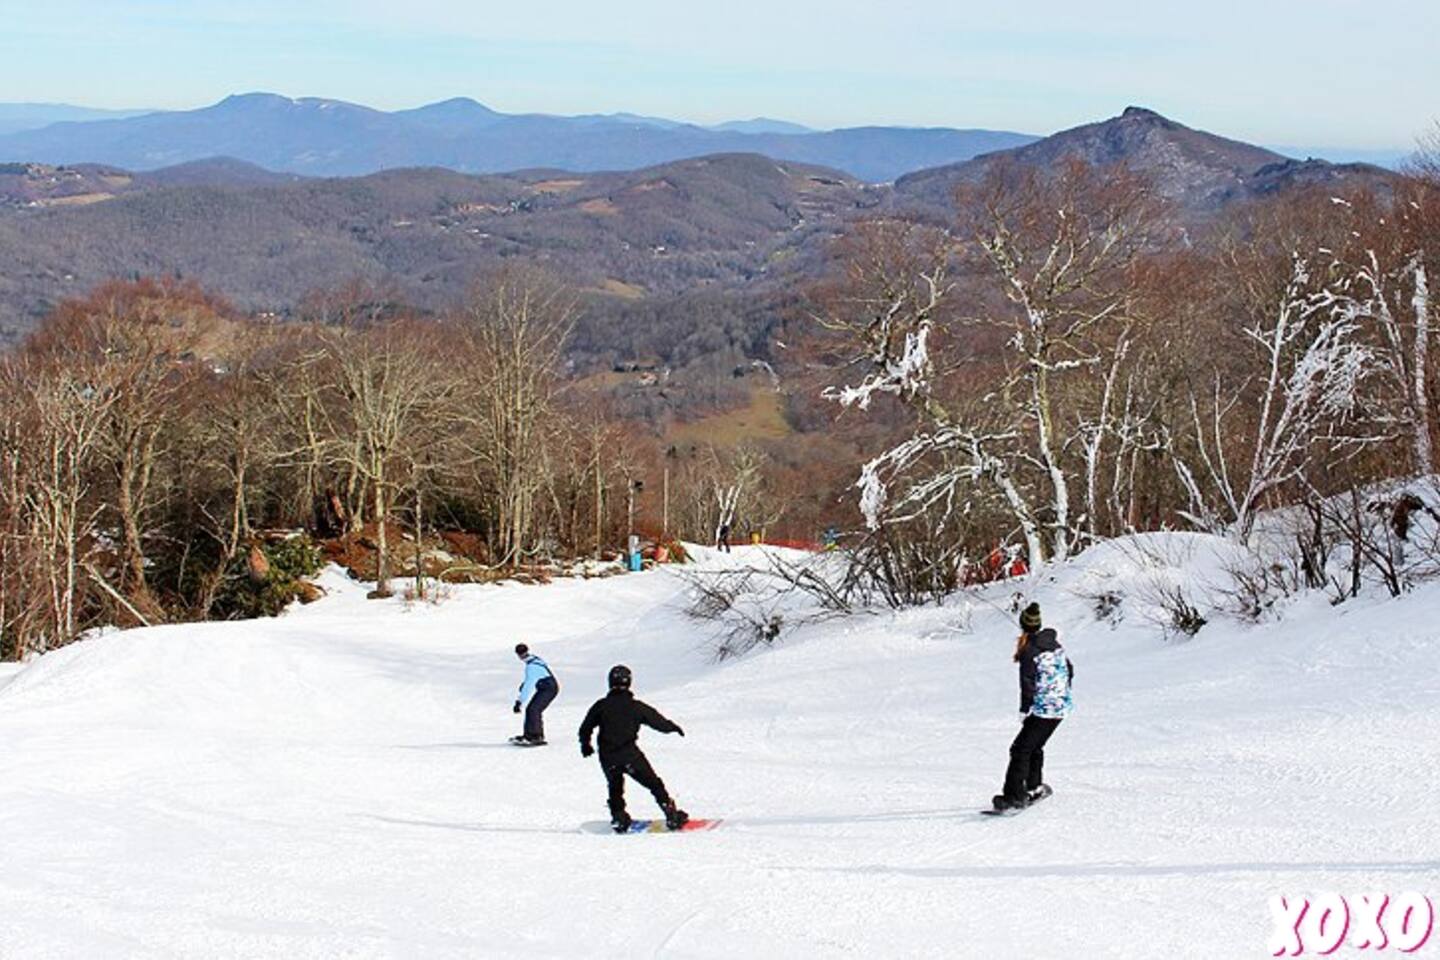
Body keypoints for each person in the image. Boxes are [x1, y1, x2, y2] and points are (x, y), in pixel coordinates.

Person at [578, 664, 689, 832]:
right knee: (654, 784)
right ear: (629, 682)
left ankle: (618, 818)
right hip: (630, 756)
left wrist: (585, 745)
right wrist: (672, 727)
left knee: (615, 787)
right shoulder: (636, 706)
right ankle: (671, 814)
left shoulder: (601, 705)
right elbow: (656, 721)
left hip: (608, 757)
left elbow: (585, 728)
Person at [994, 602, 1073, 811]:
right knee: (1034, 746)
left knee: (1019, 749)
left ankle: (1014, 797)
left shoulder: (1029, 650)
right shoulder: (1054, 644)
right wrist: (1061, 695)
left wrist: (1025, 709)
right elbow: (1070, 670)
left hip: (1044, 709)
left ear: (1023, 625)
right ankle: (1034, 787)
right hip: (1061, 707)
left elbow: (1027, 684)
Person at [511, 643, 559, 745]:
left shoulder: (531, 667)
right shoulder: (535, 659)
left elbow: (529, 685)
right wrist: (524, 684)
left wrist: (519, 702)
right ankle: (529, 735)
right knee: (531, 709)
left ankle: (536, 736)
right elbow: (536, 676)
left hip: (549, 689)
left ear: (518, 655)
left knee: (534, 709)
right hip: (546, 687)